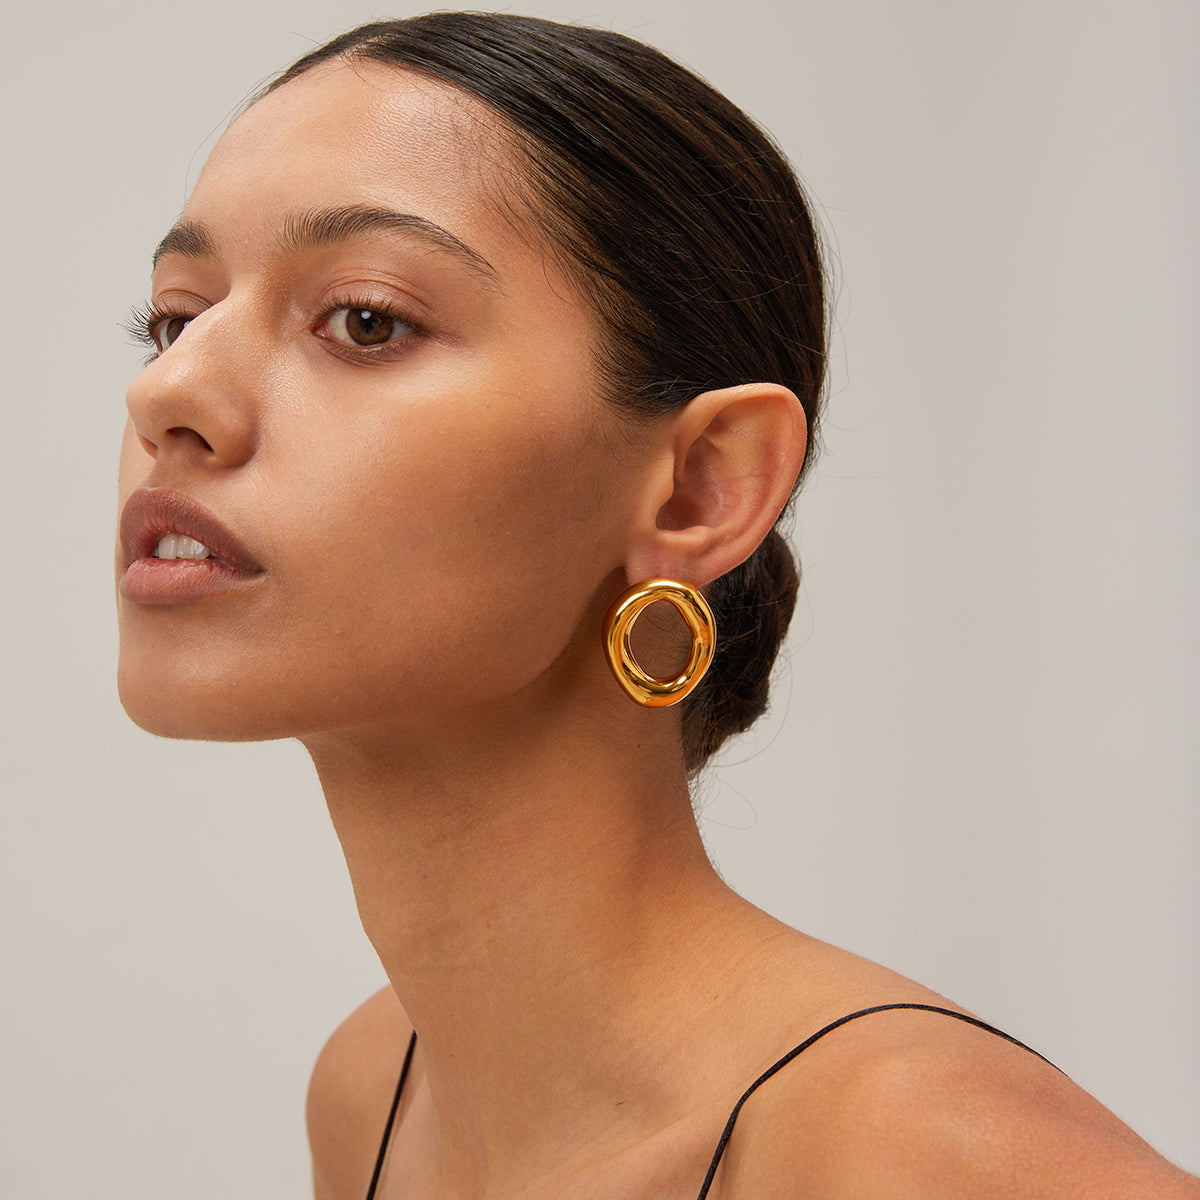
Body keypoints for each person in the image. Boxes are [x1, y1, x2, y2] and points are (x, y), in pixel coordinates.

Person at [115, 12, 1199, 1199]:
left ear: (699, 488)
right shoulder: (376, 1096)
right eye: (178, 316)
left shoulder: (937, 1162)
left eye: (366, 320)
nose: (169, 389)